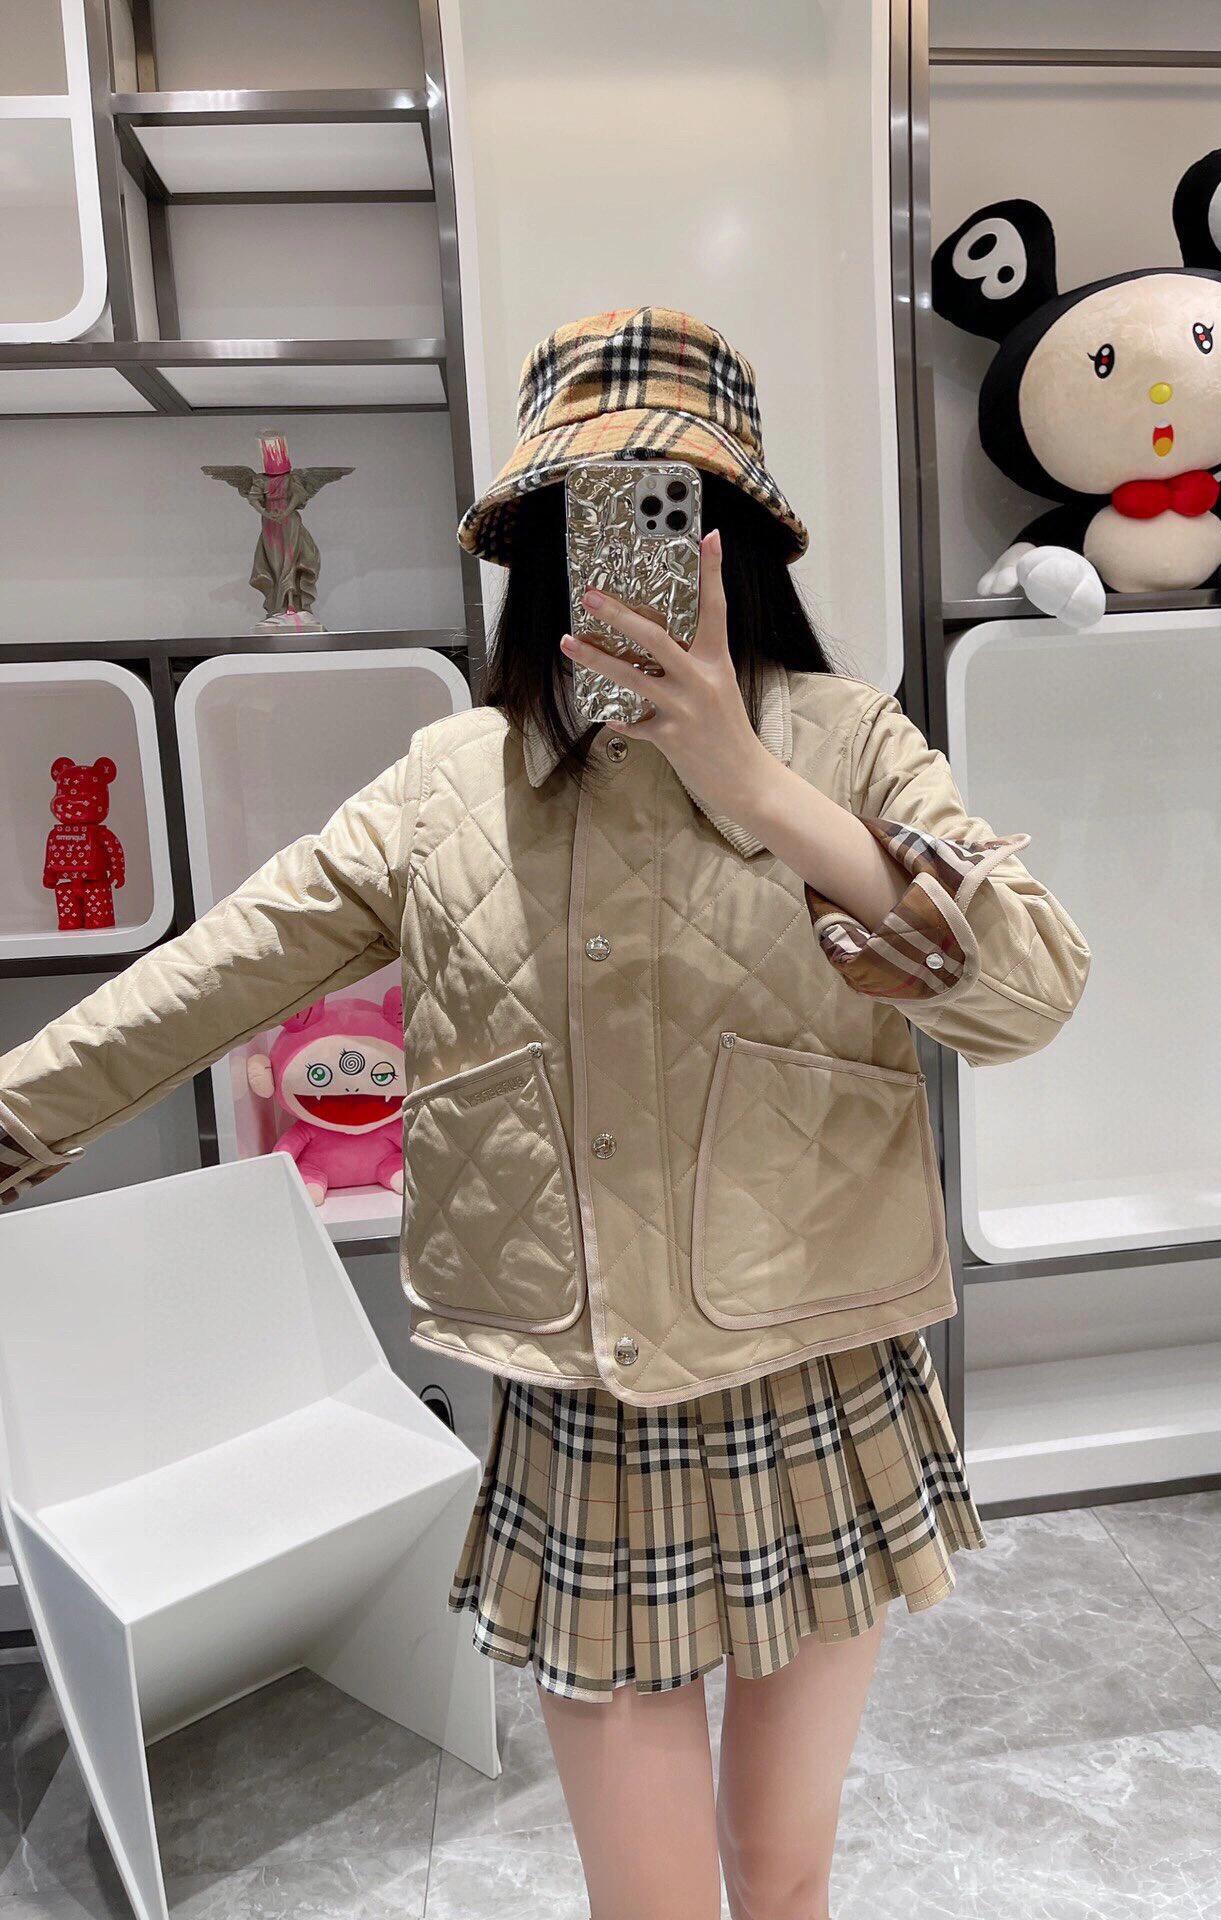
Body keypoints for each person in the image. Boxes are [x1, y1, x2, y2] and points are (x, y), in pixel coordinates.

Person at [0, 306, 1090, 1920]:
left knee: (784, 1874)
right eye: (587, 518)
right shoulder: (448, 782)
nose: (625, 557)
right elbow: (217, 970)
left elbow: (1033, 987)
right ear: (538, 551)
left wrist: (758, 787)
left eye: (667, 511)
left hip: (819, 1363)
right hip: (586, 1396)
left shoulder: (848, 742)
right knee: (648, 1905)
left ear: (732, 540)